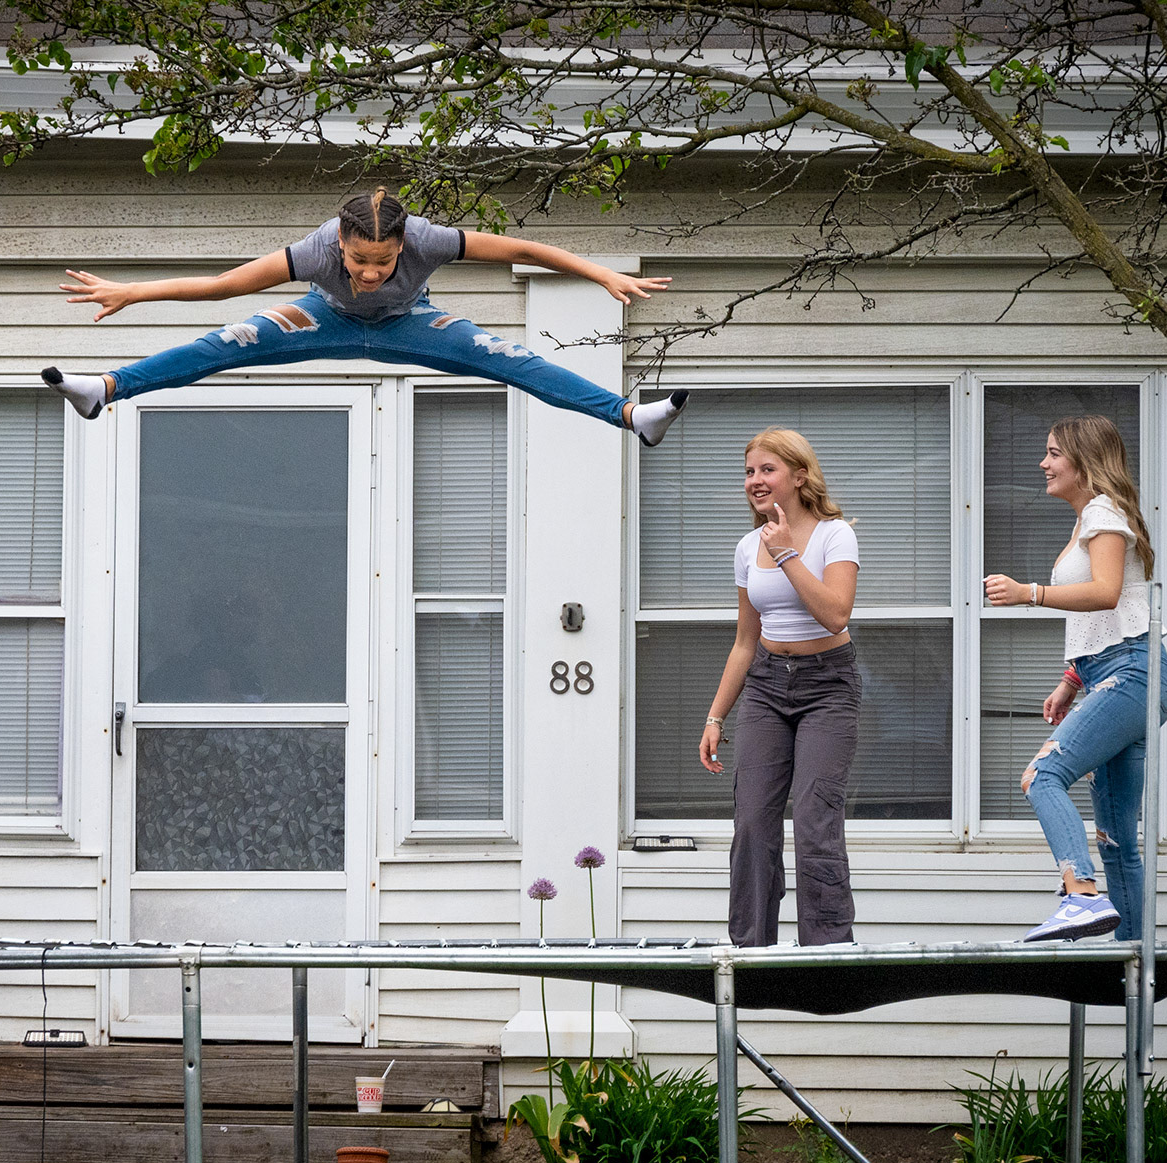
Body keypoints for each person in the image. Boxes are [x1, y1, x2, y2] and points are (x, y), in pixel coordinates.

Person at [42, 188, 690, 446]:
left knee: (512, 360)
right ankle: (104, 390)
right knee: (227, 341)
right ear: (341, 246)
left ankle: (633, 418)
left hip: (413, 323)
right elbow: (221, 287)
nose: (372, 271)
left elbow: (519, 249)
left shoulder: (430, 238)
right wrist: (133, 292)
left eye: (383, 260)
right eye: (360, 260)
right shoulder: (316, 252)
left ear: (403, 244)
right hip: (324, 319)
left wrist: (601, 272)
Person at [982, 414, 1167, 943]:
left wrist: (1030, 593)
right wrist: (1072, 677)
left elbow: (1106, 591)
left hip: (1132, 674)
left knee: (1040, 777)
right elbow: (1115, 609)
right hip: (1117, 674)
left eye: (1053, 454)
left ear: (1084, 461)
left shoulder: (1102, 513)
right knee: (1116, 840)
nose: (1043, 464)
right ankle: (1130, 957)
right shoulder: (1092, 516)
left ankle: (1081, 894)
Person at [699, 429, 861, 947]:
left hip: (828, 685)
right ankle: (750, 948)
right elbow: (745, 642)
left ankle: (827, 948)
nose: (755, 480)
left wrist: (789, 554)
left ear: (799, 476)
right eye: (749, 472)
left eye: (766, 470)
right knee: (751, 822)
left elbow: (836, 615)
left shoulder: (835, 535)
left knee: (815, 816)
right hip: (768, 686)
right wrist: (715, 716)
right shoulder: (749, 547)